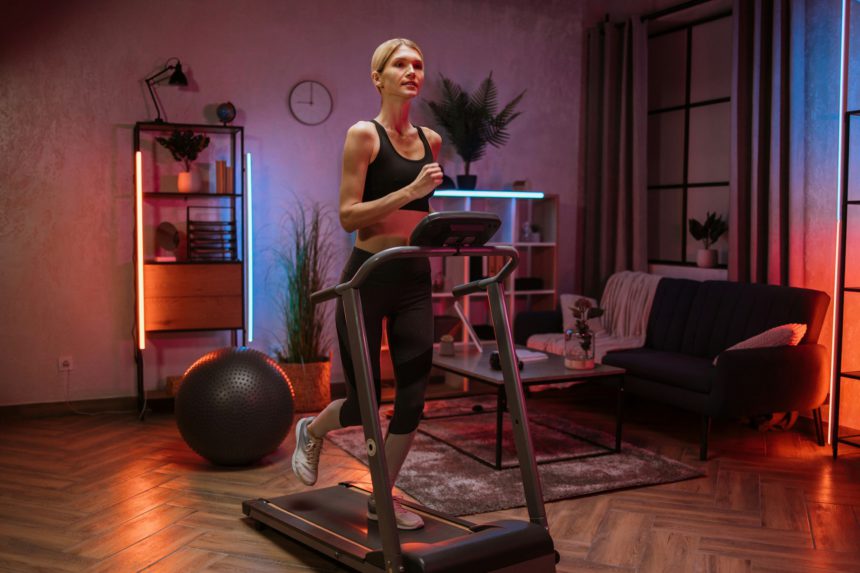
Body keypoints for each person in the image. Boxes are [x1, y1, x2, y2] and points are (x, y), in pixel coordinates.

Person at [291, 38, 443, 531]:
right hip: (367, 278)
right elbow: (348, 215)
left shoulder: (432, 141)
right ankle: (311, 429)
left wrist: (438, 226)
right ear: (378, 77)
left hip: (415, 278)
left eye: (418, 64)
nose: (411, 70)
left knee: (415, 400)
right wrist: (411, 190)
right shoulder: (364, 135)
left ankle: (384, 497)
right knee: (363, 405)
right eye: (400, 63)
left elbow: (422, 212)